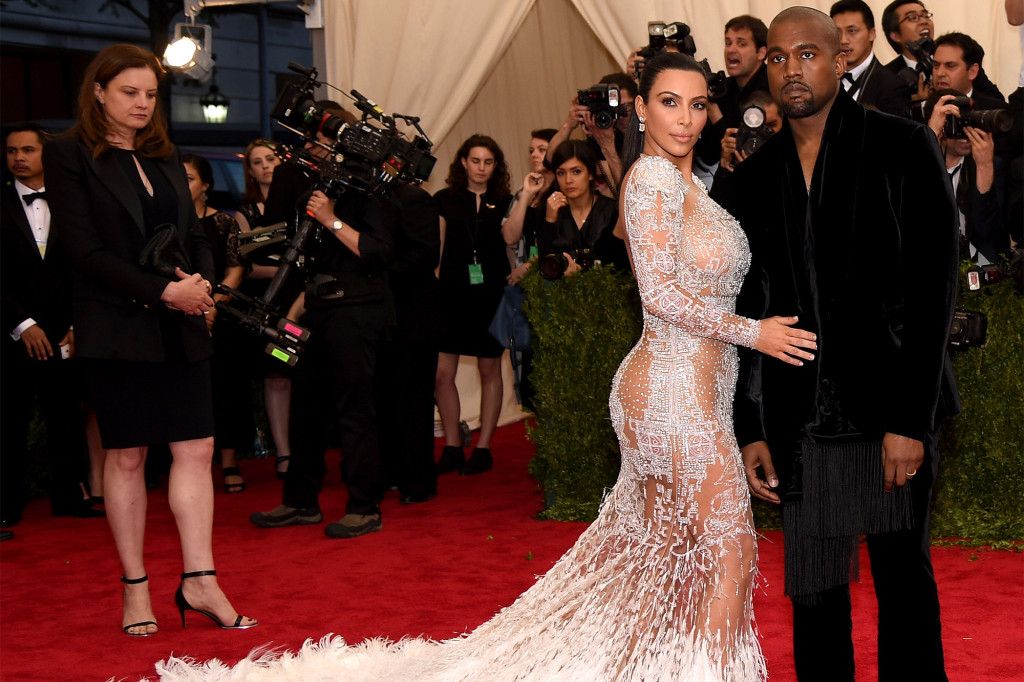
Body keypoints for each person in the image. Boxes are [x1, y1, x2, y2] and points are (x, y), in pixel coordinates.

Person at [158, 49, 818, 682]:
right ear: (641, 109)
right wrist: (753, 333)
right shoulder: (648, 182)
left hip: (694, 393)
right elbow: (661, 296)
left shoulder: (688, 184)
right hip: (671, 394)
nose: (686, 118)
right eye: (669, 102)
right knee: (728, 554)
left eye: (698, 105)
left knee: (672, 561)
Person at [717, 9, 958, 680]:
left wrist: (910, 421)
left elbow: (934, 291)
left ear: (840, 60)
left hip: (890, 414)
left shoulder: (902, 145)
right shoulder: (755, 178)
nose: (791, 69)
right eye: (777, 57)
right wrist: (751, 426)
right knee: (817, 597)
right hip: (803, 422)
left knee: (902, 585)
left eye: (807, 54)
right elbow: (749, 311)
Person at [42, 44, 256, 636]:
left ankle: (201, 580)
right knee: (128, 455)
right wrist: (167, 292)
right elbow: (84, 252)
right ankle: (135, 588)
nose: (142, 104)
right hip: (118, 324)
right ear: (99, 92)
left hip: (181, 319)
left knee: (197, 449)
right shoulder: (68, 154)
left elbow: (194, 233)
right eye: (129, 92)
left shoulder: (164, 155)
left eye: (151, 94)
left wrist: (203, 285)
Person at [249, 104, 397, 540]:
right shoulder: (311, 182)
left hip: (357, 311)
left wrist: (331, 218)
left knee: (355, 411)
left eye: (322, 137)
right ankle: (300, 501)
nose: (312, 144)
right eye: (312, 136)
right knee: (306, 409)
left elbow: (378, 252)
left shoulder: (370, 187)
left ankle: (365, 506)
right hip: (316, 308)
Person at [2, 121, 102, 527]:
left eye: (28, 150)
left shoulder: (74, 202)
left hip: (65, 332)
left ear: (47, 154)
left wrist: (78, 326)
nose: (18, 158)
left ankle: (68, 497)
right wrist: (23, 325)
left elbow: (87, 268)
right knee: (10, 421)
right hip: (12, 334)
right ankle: (7, 505)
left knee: (66, 418)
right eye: (12, 151)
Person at [433, 135, 513, 477]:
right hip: (451, 294)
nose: (481, 168)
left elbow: (513, 244)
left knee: (489, 371)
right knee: (442, 374)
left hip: (491, 295)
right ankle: (452, 446)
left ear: (496, 166)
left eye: (488, 162)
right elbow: (436, 253)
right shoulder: (443, 200)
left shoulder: (505, 201)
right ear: (463, 162)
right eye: (476, 160)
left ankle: (483, 448)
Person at [181, 153, 250, 493]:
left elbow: (236, 268)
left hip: (219, 316)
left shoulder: (223, 222)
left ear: (205, 185)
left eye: (189, 179)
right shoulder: (165, 222)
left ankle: (229, 460)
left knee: (226, 389)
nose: (182, 185)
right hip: (177, 316)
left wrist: (211, 307)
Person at [234, 138, 292, 480]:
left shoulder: (301, 202)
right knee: (277, 373)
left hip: (304, 301)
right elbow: (245, 266)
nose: (266, 166)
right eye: (257, 162)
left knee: (311, 375)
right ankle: (284, 453)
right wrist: (287, 269)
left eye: (270, 158)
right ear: (250, 172)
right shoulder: (247, 214)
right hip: (269, 305)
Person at [925, 90, 1009, 264]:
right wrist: (929, 141)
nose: (965, 131)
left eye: (968, 121)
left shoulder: (991, 164)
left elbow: (986, 231)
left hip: (976, 266)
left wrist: (984, 167)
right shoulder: (914, 163)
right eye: (956, 122)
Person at [533, 139, 626, 277]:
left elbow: (620, 267)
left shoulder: (612, 210)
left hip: (607, 288)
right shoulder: (547, 211)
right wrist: (549, 222)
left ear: (590, 174)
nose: (568, 180)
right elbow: (544, 270)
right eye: (561, 173)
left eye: (576, 172)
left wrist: (579, 273)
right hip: (561, 289)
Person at [830, 0, 912, 116]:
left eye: (852, 31)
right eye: (837, 32)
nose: (843, 40)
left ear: (872, 34)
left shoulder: (892, 86)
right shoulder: (823, 79)